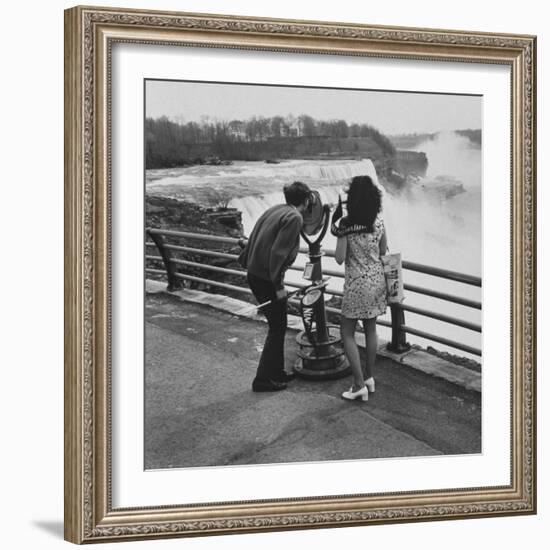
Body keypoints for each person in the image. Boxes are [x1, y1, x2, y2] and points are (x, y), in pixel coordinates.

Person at [238, 181, 311, 392]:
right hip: (267, 279)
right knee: (277, 327)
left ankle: (276, 372)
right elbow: (278, 254)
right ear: (306, 200)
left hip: (256, 274)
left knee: (278, 325)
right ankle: (262, 380)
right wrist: (278, 286)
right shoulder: (294, 217)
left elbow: (256, 236)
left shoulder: (276, 209)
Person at [332, 175, 388, 402]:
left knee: (346, 333)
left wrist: (340, 233)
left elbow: (338, 258)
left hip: (356, 285)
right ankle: (368, 378)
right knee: (371, 329)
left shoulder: (346, 224)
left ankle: (357, 385)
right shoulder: (379, 222)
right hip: (377, 283)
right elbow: (383, 251)